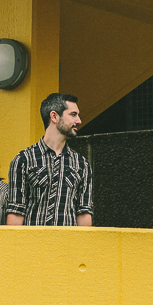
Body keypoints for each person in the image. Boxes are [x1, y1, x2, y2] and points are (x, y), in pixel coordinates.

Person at [6, 93, 93, 226]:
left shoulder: (82, 164)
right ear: (54, 116)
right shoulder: (23, 160)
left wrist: (83, 246)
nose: (79, 121)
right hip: (32, 244)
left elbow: (84, 211)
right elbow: (16, 211)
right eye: (73, 114)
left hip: (68, 244)